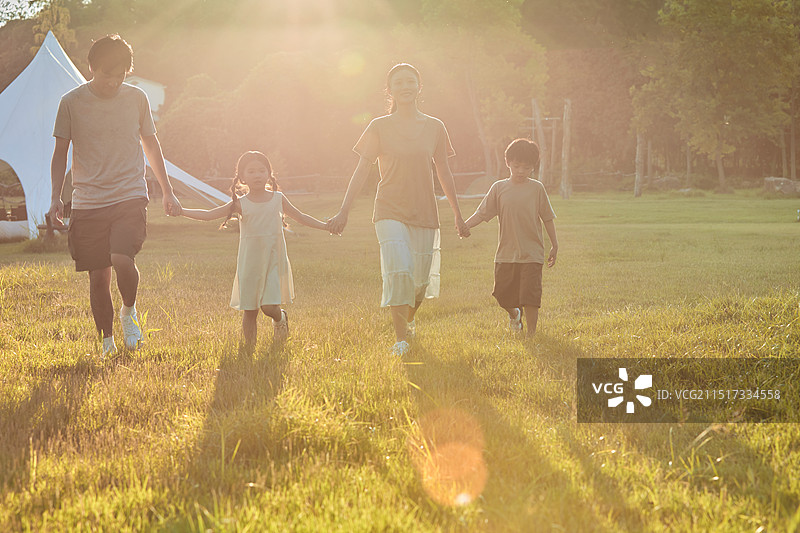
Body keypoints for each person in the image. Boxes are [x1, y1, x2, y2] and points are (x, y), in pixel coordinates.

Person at [47, 34, 182, 357]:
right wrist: (55, 197)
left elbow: (151, 145)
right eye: (107, 74)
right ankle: (107, 343)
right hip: (88, 200)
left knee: (122, 258)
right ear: (91, 68)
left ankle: (129, 312)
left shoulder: (136, 98)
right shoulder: (71, 102)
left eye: (120, 75)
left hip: (129, 193)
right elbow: (60, 153)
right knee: (98, 277)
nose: (113, 81)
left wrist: (167, 190)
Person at [327, 63, 470, 356]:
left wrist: (457, 213)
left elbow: (443, 171)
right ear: (390, 90)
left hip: (424, 210)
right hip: (388, 209)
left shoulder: (435, 127)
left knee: (419, 283)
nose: (405, 87)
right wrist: (344, 211)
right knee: (399, 270)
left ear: (419, 87)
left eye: (410, 81)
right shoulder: (378, 126)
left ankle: (410, 320)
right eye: (399, 82)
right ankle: (401, 340)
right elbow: (362, 170)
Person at [178, 151, 328, 348]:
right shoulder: (240, 203)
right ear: (242, 177)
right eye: (251, 171)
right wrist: (181, 211)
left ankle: (280, 317)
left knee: (268, 307)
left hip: (274, 259)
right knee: (250, 310)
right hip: (250, 262)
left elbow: (301, 217)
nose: (257, 175)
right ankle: (248, 350)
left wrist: (326, 226)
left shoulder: (278, 198)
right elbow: (209, 214)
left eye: (261, 170)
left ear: (269, 173)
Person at [464, 138, 558, 338]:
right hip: (506, 253)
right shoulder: (499, 188)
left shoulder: (537, 189)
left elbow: (548, 218)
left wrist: (554, 245)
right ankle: (515, 314)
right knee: (502, 295)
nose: (521, 171)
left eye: (527, 167)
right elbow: (482, 213)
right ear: (507, 163)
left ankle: (531, 335)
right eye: (516, 166)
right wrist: (465, 226)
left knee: (530, 297)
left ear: (533, 167)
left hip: (532, 253)